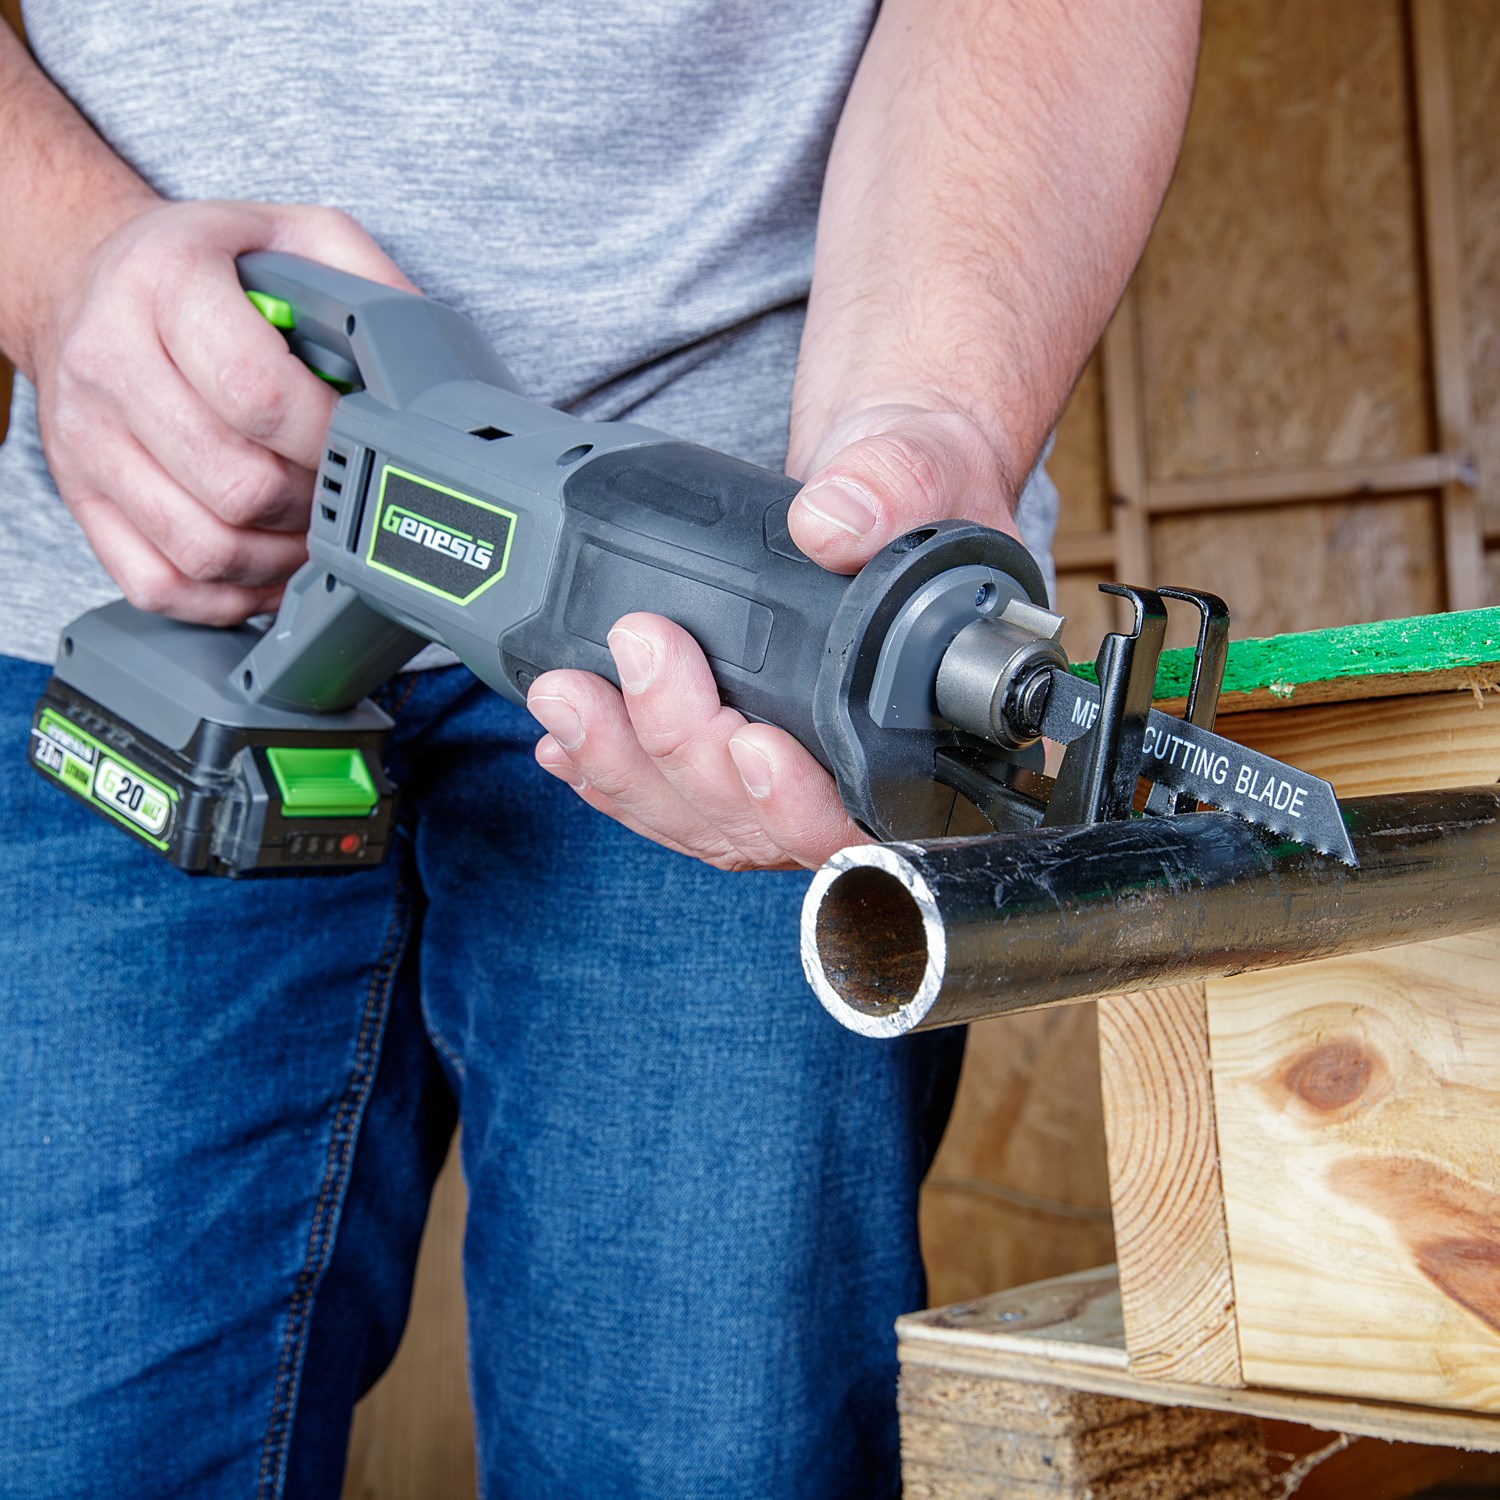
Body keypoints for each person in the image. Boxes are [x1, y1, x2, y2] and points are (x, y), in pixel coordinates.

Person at [0, 2, 1199, 1494]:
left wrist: (927, 415)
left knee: (713, 1458)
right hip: (156, 575)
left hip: (756, 643)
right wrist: (60, 264)